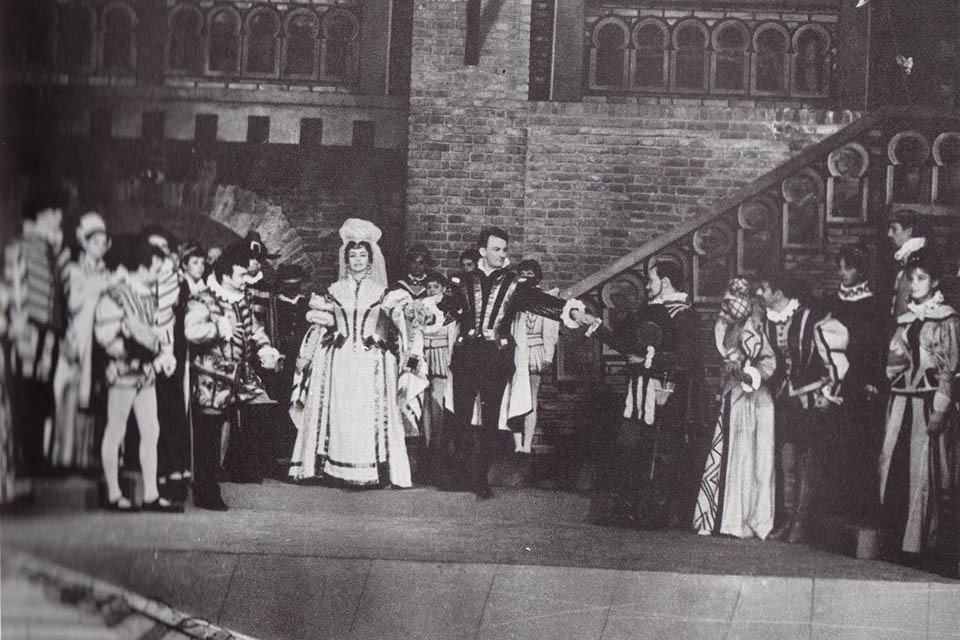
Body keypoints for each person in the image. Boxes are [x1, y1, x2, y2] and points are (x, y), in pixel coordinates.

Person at [438, 228, 599, 499]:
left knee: (491, 419)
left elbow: (543, 303)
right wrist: (424, 313)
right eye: (496, 249)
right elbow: (445, 309)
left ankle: (481, 479)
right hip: (466, 357)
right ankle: (462, 474)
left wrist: (574, 313)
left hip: (496, 359)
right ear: (482, 251)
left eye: (504, 249)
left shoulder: (514, 283)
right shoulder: (463, 281)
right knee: (461, 419)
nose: (502, 254)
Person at [289, 219, 416, 488]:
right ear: (346, 260)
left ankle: (372, 471)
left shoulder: (383, 293)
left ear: (371, 260)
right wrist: (307, 356)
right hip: (340, 358)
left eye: (362, 255)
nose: (358, 260)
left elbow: (399, 321)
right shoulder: (334, 291)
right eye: (353, 255)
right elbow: (320, 325)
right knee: (341, 413)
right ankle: (333, 469)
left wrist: (411, 319)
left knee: (366, 414)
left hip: (372, 359)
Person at [591, 258, 701, 528]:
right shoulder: (652, 311)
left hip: (667, 396)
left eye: (651, 281)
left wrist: (647, 361)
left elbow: (686, 359)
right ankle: (628, 509)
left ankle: (653, 514)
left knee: (661, 453)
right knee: (631, 447)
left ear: (665, 282)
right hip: (640, 394)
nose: (648, 287)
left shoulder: (685, 315)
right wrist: (595, 326)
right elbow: (627, 342)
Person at [185, 242, 281, 510]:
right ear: (225, 275)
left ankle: (208, 485)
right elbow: (191, 331)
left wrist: (265, 348)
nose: (245, 280)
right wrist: (218, 327)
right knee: (207, 435)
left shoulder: (243, 298)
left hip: (234, 378)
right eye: (241, 275)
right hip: (210, 378)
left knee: (218, 433)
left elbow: (254, 329)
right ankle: (205, 489)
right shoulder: (204, 298)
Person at [880, 245, 958, 560]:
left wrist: (941, 407)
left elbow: (949, 369)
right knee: (892, 461)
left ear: (934, 281)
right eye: (911, 278)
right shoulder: (906, 318)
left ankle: (920, 543)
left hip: (926, 402)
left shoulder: (946, 318)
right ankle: (894, 538)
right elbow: (895, 363)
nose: (914, 284)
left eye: (921, 278)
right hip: (901, 401)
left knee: (923, 471)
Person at [94, 236, 180, 512]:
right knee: (116, 430)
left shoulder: (149, 296)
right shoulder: (116, 294)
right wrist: (131, 350)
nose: (159, 275)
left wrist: (158, 353)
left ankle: (151, 494)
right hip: (123, 372)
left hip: (145, 374)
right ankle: (113, 494)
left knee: (151, 431)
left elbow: (157, 334)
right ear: (143, 266)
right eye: (156, 270)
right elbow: (105, 336)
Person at [758, 272, 847, 543]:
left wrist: (828, 393)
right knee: (787, 461)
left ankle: (800, 521)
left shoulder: (811, 318)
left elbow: (834, 362)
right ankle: (787, 519)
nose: (760, 294)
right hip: (784, 400)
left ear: (778, 293)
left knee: (808, 461)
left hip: (810, 401)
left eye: (764, 289)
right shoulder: (767, 321)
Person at [693, 278, 776, 538]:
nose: (731, 304)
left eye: (737, 298)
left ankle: (740, 519)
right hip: (733, 396)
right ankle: (724, 518)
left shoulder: (756, 328)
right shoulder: (728, 328)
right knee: (732, 453)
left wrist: (747, 373)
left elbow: (768, 362)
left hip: (752, 400)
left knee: (750, 457)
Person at [5, 183, 70, 476]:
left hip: (49, 334)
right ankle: (25, 460)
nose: (59, 217)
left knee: (41, 394)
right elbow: (16, 291)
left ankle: (36, 458)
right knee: (26, 393)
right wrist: (20, 330)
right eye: (54, 211)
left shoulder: (50, 251)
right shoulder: (21, 247)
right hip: (29, 332)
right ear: (40, 214)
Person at [826, 245, 885, 522]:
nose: (842, 272)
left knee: (857, 449)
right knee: (833, 447)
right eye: (839, 267)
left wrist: (871, 380)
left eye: (848, 267)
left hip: (859, 383)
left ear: (860, 270)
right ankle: (834, 517)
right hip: (833, 382)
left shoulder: (872, 305)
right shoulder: (832, 301)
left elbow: (875, 347)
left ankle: (857, 515)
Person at [51, 212, 113, 470]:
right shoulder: (74, 271)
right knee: (66, 396)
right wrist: (94, 287)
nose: (100, 247)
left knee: (89, 400)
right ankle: (60, 457)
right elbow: (71, 304)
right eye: (95, 242)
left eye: (103, 243)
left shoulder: (107, 274)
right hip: (75, 340)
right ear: (85, 243)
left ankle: (83, 459)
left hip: (96, 345)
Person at [504, 259, 559, 455]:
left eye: (530, 274)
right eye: (523, 274)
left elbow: (550, 331)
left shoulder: (545, 299)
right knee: (515, 395)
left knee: (531, 398)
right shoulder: (512, 299)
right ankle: (517, 443)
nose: (526, 278)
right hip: (516, 350)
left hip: (535, 350)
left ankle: (527, 444)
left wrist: (548, 356)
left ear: (537, 277)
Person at [887, 210, 930, 318]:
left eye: (894, 229)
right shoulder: (904, 256)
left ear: (909, 231)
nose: (889, 234)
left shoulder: (920, 258)